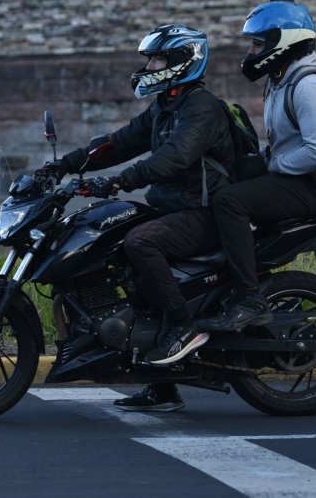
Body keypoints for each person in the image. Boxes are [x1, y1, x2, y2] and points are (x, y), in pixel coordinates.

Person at [36, 24, 234, 412]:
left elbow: (174, 157)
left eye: (156, 59)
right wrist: (62, 166)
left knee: (140, 241)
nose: (148, 66)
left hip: (202, 212)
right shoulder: (166, 105)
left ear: (182, 63)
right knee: (114, 246)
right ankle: (160, 383)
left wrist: (121, 181)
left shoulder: (202, 108)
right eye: (148, 59)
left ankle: (182, 328)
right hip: (171, 206)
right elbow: (118, 143)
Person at [197, 1, 316, 333]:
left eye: (258, 44)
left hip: (313, 184)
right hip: (296, 176)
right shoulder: (281, 80)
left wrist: (274, 164)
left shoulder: (308, 86)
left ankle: (249, 298)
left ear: (284, 42)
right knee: (223, 186)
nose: (251, 51)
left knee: (229, 201)